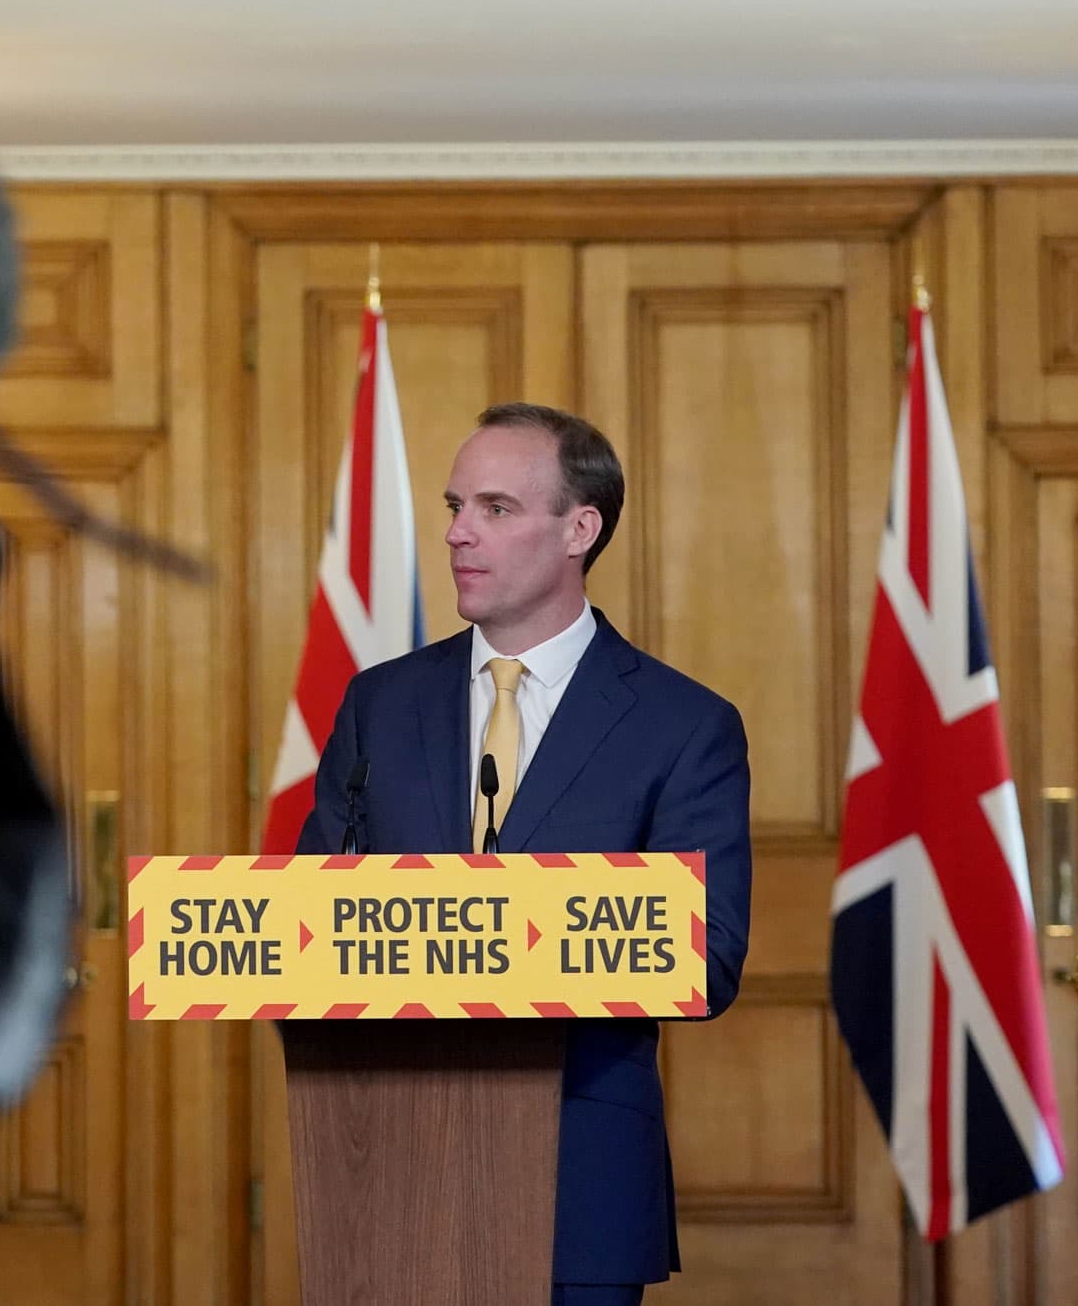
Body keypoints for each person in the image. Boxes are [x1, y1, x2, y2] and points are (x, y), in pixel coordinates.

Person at [297, 402, 754, 1305]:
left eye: (495, 509)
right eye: (455, 506)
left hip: (579, 1176)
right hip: (387, 1165)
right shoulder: (379, 704)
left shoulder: (683, 725)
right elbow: (309, 921)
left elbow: (705, 958)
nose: (458, 533)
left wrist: (497, 936)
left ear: (580, 529)